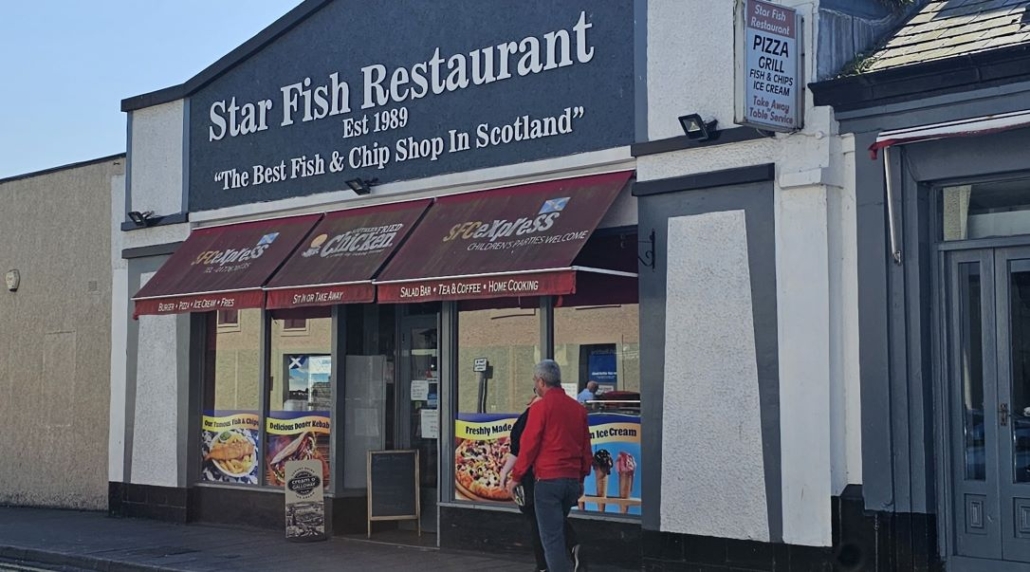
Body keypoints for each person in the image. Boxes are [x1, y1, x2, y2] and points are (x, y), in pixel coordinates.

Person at [506, 360, 593, 572]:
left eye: (535, 382)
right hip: (572, 481)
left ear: (541, 382)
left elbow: (528, 447)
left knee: (551, 539)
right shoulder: (578, 409)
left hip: (547, 481)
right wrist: (581, 478)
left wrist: (515, 478)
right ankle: (573, 549)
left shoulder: (540, 409)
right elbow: (585, 447)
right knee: (556, 527)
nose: (535, 386)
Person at [501, 395, 580, 572]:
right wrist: (580, 477)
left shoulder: (532, 415)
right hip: (567, 476)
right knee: (551, 518)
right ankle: (572, 546)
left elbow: (523, 450)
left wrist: (512, 476)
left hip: (538, 477)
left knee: (540, 523)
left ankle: (545, 565)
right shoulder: (570, 413)